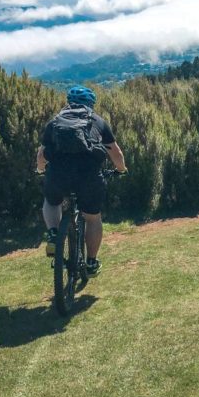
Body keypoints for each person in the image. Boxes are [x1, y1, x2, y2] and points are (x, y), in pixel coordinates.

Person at [37, 85, 126, 276]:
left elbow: (42, 154)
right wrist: (121, 170)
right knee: (92, 218)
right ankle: (91, 263)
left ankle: (53, 234)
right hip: (89, 176)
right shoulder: (98, 121)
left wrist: (40, 169)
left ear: (68, 102)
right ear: (91, 104)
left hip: (58, 174)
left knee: (52, 202)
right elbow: (115, 153)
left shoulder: (55, 122)